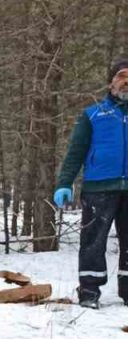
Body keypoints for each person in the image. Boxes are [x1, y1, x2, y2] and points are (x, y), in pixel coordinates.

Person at [54, 59, 128, 309]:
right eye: (122, 75)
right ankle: (89, 289)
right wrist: (65, 182)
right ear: (111, 82)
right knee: (93, 240)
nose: (126, 81)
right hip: (99, 188)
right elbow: (76, 152)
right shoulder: (93, 115)